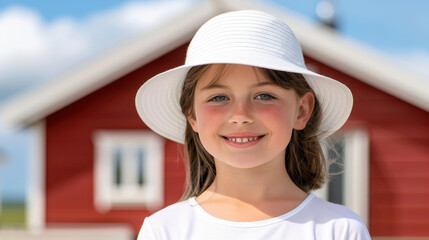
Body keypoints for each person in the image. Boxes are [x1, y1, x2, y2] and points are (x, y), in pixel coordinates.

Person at [135, 10, 371, 240]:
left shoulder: (340, 230)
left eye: (264, 96)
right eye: (218, 98)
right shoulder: (163, 231)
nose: (240, 115)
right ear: (192, 115)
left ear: (302, 110)